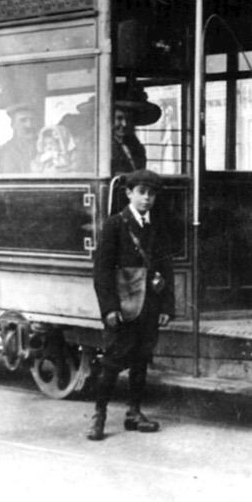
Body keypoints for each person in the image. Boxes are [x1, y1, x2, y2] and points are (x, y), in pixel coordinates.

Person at [87, 169, 175, 441]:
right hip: (124, 306)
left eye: (152, 194)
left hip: (149, 303)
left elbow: (165, 268)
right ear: (128, 193)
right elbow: (101, 270)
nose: (147, 199)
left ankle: (134, 413)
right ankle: (99, 416)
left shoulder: (156, 225)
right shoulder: (115, 224)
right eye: (141, 193)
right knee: (113, 361)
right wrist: (109, 308)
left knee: (141, 359)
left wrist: (166, 308)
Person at [111, 84, 162, 175]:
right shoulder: (104, 148)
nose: (124, 124)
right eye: (119, 118)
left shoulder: (137, 147)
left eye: (129, 119)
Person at [0, 103, 38, 173]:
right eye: (23, 120)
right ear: (13, 125)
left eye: (32, 120)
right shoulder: (4, 151)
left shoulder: (45, 146)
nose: (29, 125)